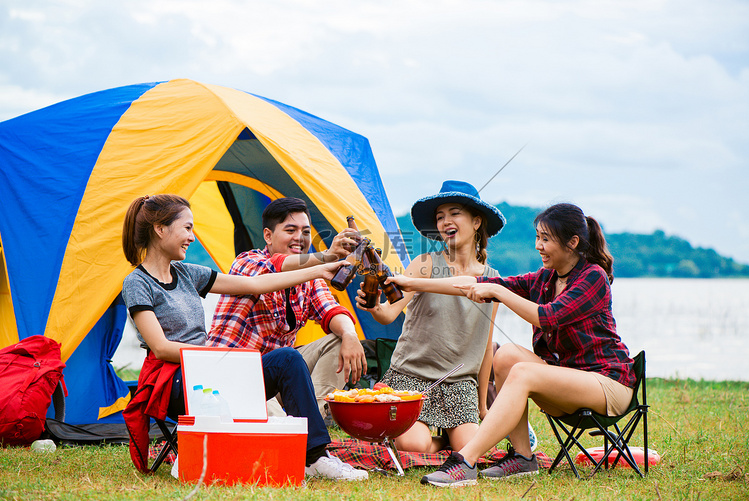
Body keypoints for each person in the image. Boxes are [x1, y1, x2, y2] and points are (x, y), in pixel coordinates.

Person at [120, 194, 368, 481]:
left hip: (213, 372)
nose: (192, 237)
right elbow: (161, 348)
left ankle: (314, 457)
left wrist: (321, 268)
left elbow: (254, 284)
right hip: (173, 380)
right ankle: (207, 449)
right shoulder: (137, 282)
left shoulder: (188, 273)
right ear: (160, 230)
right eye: (187, 228)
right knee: (274, 365)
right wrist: (227, 358)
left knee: (287, 359)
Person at [389, 202, 635, 487]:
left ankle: (465, 462)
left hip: (608, 384)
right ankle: (522, 457)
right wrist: (413, 283)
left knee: (522, 371)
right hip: (569, 380)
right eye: (537, 237)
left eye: (545, 238)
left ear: (572, 242)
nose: (538, 246)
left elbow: (548, 317)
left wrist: (498, 291)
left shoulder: (593, 277)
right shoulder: (546, 279)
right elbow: (476, 282)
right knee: (505, 356)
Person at [355, 180, 502, 454]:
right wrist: (373, 305)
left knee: (471, 449)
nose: (446, 221)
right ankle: (441, 442)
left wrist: (482, 405)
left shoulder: (492, 280)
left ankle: (452, 440)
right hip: (412, 377)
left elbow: (485, 347)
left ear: (477, 222)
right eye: (440, 217)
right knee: (414, 445)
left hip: (460, 383)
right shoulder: (425, 264)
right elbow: (389, 314)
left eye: (454, 213)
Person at [207, 197, 368, 419]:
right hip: (236, 372)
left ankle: (311, 423)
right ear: (268, 236)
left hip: (279, 374)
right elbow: (277, 266)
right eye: (290, 230)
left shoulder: (310, 278)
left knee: (340, 338)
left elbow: (331, 309)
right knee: (277, 430)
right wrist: (327, 257)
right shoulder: (247, 262)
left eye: (305, 232)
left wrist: (350, 334)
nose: (299, 238)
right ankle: (297, 435)